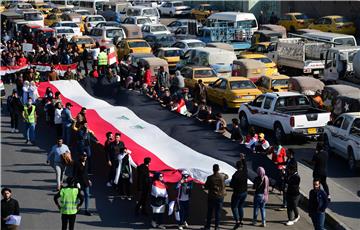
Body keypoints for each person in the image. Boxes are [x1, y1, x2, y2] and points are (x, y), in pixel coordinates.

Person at [204, 164, 228, 230]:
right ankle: (216, 227)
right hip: (220, 196)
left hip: (212, 196)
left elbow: (206, 186)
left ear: (213, 169)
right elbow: (227, 176)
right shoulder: (222, 177)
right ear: (218, 169)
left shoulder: (210, 178)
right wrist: (223, 173)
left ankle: (208, 227)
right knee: (218, 212)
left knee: (210, 212)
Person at [230, 155, 248, 229]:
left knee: (234, 207)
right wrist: (243, 158)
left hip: (237, 193)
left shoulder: (235, 175)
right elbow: (245, 165)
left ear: (236, 167)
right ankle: (241, 220)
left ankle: (237, 221)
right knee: (241, 206)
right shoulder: (245, 172)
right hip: (244, 192)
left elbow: (231, 185)